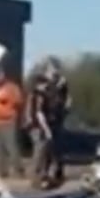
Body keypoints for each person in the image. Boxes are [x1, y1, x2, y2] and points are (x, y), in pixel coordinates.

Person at [26, 58, 71, 190]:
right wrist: (47, 130)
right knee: (40, 151)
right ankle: (36, 179)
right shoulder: (40, 90)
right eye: (53, 71)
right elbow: (39, 112)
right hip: (38, 124)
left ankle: (44, 177)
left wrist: (62, 87)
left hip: (49, 121)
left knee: (48, 151)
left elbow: (62, 102)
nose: (55, 74)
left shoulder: (54, 87)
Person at [0, 65, 25, 179]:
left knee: (11, 147)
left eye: (0, 74)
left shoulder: (12, 87)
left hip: (7, 121)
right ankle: (2, 171)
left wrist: (5, 99)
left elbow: (19, 101)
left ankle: (19, 170)